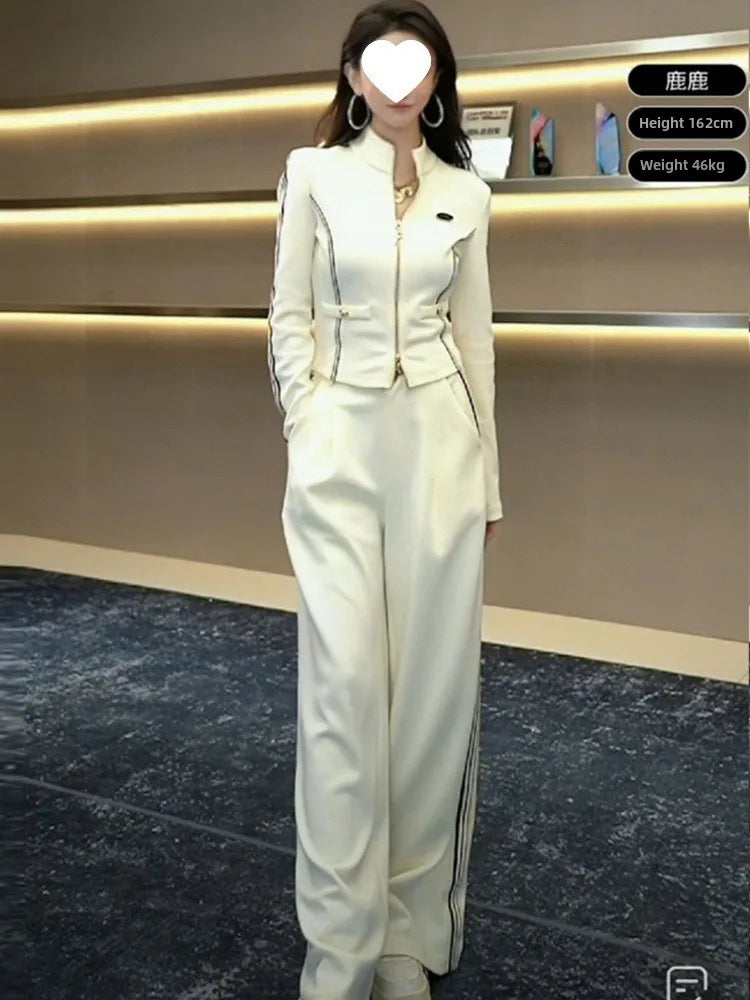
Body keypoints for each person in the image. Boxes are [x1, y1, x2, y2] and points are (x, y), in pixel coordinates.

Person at [267, 2, 504, 997]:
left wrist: (488, 481)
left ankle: (407, 933)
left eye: (420, 65)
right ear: (355, 78)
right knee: (343, 698)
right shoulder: (313, 174)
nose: (402, 83)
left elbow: (476, 338)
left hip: (442, 452)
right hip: (340, 449)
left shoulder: (467, 191)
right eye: (382, 64)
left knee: (432, 704)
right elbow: (288, 315)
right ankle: (340, 943)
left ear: (436, 80)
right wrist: (309, 423)